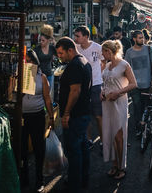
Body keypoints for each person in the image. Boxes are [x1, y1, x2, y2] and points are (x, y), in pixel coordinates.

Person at [56, 37, 92, 193]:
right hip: (82, 113)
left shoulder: (75, 65)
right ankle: (82, 179)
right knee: (82, 147)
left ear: (70, 50)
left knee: (74, 150)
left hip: (76, 115)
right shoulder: (84, 61)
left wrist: (66, 113)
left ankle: (74, 183)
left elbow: (75, 91)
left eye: (61, 53)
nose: (60, 57)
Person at [101, 40, 137, 180]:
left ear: (109, 51)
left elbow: (134, 84)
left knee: (118, 135)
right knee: (110, 134)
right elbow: (105, 82)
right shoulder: (108, 65)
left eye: (104, 52)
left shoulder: (124, 64)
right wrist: (102, 91)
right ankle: (114, 164)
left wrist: (118, 93)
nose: (102, 55)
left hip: (119, 102)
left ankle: (122, 167)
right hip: (107, 102)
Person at [21, 50, 54, 192]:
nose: (28, 63)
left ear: (35, 62)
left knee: (38, 148)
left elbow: (47, 98)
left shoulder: (42, 77)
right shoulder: (20, 75)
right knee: (22, 149)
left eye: (30, 60)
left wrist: (51, 117)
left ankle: (40, 179)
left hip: (37, 115)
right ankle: (24, 178)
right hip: (22, 117)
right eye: (25, 60)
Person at [74, 26, 104, 150]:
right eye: (75, 36)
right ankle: (89, 139)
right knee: (86, 114)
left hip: (96, 84)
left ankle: (103, 141)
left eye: (78, 36)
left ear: (86, 37)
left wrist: (98, 74)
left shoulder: (97, 47)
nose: (75, 38)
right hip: (83, 85)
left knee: (98, 115)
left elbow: (104, 61)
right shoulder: (77, 49)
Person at [125, 30, 152, 136]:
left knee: (146, 106)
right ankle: (138, 127)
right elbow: (127, 67)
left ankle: (146, 126)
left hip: (147, 83)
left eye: (142, 37)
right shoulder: (129, 52)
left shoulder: (149, 49)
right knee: (137, 106)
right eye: (139, 38)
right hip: (135, 84)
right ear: (134, 39)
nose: (142, 39)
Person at [34, 24, 56, 95]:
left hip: (49, 74)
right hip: (39, 76)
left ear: (48, 40)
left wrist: (55, 43)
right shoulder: (37, 49)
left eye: (43, 40)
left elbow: (59, 54)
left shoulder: (52, 48)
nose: (41, 42)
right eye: (40, 40)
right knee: (40, 95)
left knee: (47, 95)